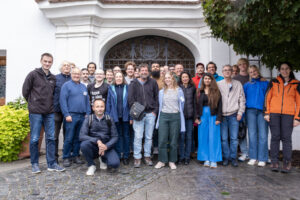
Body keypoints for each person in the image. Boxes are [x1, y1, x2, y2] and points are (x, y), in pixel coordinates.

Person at [22, 53, 65, 173]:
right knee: (35, 138)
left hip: (49, 112)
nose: (47, 63)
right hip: (35, 112)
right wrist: (33, 103)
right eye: (45, 61)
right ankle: (34, 164)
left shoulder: (53, 78)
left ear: (52, 63)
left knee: (51, 137)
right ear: (41, 61)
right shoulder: (33, 75)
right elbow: (25, 91)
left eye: (49, 62)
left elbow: (53, 94)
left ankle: (51, 164)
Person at [264, 62, 300, 173]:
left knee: (286, 139)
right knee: (275, 137)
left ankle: (287, 162)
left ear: (290, 70)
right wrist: (266, 112)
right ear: (279, 70)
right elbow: (267, 98)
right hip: (274, 114)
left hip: (288, 115)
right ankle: (274, 161)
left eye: (287, 69)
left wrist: (297, 118)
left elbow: (299, 102)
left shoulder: (296, 84)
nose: (284, 71)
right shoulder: (273, 82)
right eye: (282, 69)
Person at [128, 63, 159, 168]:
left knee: (149, 137)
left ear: (148, 72)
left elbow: (156, 98)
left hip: (151, 113)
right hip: (138, 115)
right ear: (139, 71)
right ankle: (137, 157)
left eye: (146, 70)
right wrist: (135, 113)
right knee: (138, 137)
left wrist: (155, 111)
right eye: (142, 70)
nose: (144, 72)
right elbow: (130, 100)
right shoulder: (133, 83)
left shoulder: (153, 82)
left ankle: (147, 156)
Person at [60, 67, 91, 167]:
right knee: (69, 137)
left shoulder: (83, 87)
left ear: (81, 75)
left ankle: (76, 155)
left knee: (78, 137)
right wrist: (66, 114)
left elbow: (87, 102)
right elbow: (63, 101)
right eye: (75, 74)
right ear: (71, 74)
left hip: (82, 116)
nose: (77, 75)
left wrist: (88, 113)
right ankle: (66, 157)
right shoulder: (66, 86)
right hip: (71, 116)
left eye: (78, 74)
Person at [80, 99, 120, 176]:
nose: (100, 109)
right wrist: (97, 141)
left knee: (115, 164)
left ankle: (103, 159)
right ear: (93, 108)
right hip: (94, 146)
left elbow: (115, 136)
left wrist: (106, 146)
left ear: (104, 107)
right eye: (97, 107)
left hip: (106, 146)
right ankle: (91, 165)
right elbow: (82, 136)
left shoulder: (109, 119)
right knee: (84, 145)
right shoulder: (89, 119)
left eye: (102, 106)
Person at [154, 72, 185, 170]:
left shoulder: (179, 91)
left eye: (169, 78)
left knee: (173, 140)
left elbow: (182, 105)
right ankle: (162, 161)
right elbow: (160, 105)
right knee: (162, 139)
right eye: (166, 78)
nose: (167, 79)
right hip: (164, 116)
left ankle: (172, 161)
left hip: (175, 116)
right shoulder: (161, 92)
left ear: (173, 79)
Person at [217, 65, 245, 167]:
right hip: (223, 116)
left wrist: (240, 112)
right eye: (225, 70)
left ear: (232, 72)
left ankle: (233, 158)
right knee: (224, 138)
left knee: (234, 139)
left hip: (234, 114)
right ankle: (226, 158)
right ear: (222, 72)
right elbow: (216, 100)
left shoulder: (238, 84)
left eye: (229, 70)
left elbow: (242, 99)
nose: (227, 72)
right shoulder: (218, 84)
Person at [196, 73, 222, 168]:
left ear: (212, 80)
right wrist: (196, 117)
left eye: (209, 78)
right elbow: (196, 105)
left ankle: (213, 159)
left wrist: (219, 118)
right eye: (205, 78)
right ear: (203, 80)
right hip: (203, 116)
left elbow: (220, 105)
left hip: (213, 115)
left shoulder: (216, 91)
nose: (207, 80)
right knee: (203, 137)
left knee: (213, 137)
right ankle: (205, 158)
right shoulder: (200, 91)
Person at [244, 65, 269, 167]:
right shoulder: (247, 85)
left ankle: (263, 158)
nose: (253, 73)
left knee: (263, 135)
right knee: (252, 135)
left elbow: (269, 97)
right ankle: (253, 157)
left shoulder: (266, 83)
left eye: (254, 71)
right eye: (251, 72)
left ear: (258, 71)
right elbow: (243, 98)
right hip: (250, 111)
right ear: (249, 74)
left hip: (262, 111)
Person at [106, 72, 131, 165]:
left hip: (125, 116)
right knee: (118, 136)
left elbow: (131, 103)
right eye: (117, 77)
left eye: (120, 76)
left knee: (126, 136)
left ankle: (126, 156)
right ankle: (119, 155)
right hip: (115, 117)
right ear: (114, 78)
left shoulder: (127, 88)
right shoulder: (111, 88)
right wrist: (107, 115)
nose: (119, 78)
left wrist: (131, 117)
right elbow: (108, 103)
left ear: (123, 78)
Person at [53, 61, 71, 163]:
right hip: (57, 110)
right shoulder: (55, 78)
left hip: (68, 111)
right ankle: (54, 157)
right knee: (55, 135)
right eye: (64, 65)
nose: (67, 67)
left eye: (68, 65)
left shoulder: (73, 79)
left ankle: (66, 156)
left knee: (67, 135)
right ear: (61, 68)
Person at [233, 58, 250, 162]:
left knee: (252, 132)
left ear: (247, 65)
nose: (243, 66)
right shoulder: (236, 78)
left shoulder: (251, 76)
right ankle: (244, 152)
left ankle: (253, 152)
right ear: (238, 66)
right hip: (240, 109)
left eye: (244, 64)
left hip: (251, 107)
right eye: (240, 64)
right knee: (242, 132)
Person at [178, 71, 196, 165]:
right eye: (183, 77)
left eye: (186, 77)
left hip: (189, 116)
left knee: (189, 137)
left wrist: (195, 116)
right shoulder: (177, 88)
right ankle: (181, 156)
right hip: (180, 117)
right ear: (181, 78)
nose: (185, 78)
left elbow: (194, 103)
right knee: (181, 137)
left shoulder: (193, 88)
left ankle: (187, 157)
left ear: (189, 78)